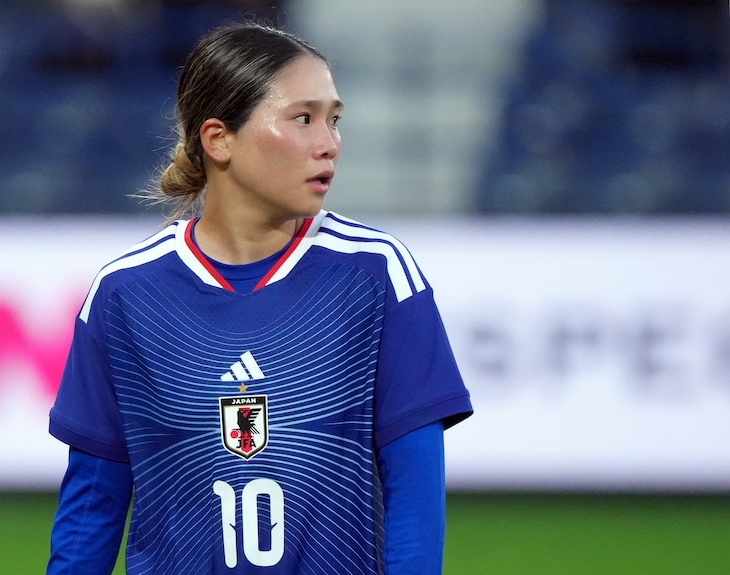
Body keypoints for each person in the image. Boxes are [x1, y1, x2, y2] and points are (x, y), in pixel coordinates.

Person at [46, 22, 472, 575]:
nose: (329, 143)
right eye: (302, 118)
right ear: (219, 138)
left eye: (333, 118)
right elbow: (91, 512)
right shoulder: (125, 293)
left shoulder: (377, 273)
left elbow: (415, 497)